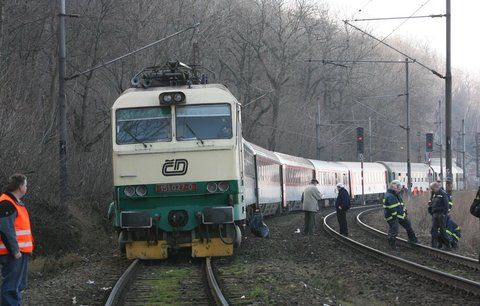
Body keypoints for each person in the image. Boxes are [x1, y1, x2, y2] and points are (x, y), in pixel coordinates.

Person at [0, 174, 34, 306]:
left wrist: (27, 248)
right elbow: (6, 230)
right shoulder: (7, 203)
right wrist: (15, 251)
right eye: (25, 185)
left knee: (17, 285)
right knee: (11, 286)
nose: (26, 187)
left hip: (20, 252)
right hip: (12, 253)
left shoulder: (15, 203)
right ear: (20, 187)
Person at [383, 180, 417, 249]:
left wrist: (405, 211)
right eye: (398, 188)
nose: (399, 190)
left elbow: (401, 204)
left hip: (400, 215)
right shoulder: (390, 196)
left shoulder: (395, 194)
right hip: (392, 217)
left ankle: (413, 240)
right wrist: (395, 216)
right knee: (394, 230)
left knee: (408, 225)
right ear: (395, 188)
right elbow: (392, 208)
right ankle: (392, 245)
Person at [428, 181, 451, 250]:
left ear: (437, 187)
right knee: (433, 230)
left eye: (433, 189)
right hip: (435, 214)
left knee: (442, 230)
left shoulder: (443, 194)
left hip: (441, 215)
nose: (432, 190)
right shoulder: (435, 194)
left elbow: (446, 206)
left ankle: (447, 245)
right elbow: (432, 203)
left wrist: (444, 214)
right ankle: (434, 244)